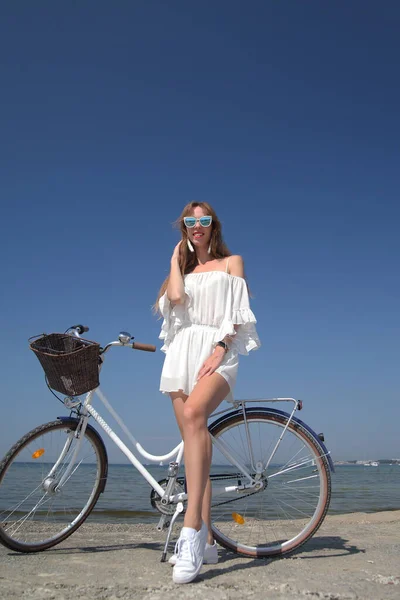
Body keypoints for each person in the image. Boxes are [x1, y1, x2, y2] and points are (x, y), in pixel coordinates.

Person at [155, 201, 260, 584]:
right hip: (182, 352)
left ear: (213, 225)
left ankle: (190, 531)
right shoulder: (182, 270)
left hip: (218, 350)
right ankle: (211, 541)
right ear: (184, 227)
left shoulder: (233, 261)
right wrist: (174, 257)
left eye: (203, 220)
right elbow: (178, 300)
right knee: (194, 445)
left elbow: (236, 310)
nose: (196, 226)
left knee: (196, 415)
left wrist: (220, 347)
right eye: (189, 221)